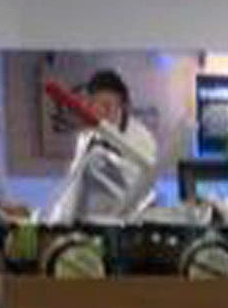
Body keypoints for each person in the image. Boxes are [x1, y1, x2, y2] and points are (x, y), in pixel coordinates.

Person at [45, 69, 164, 224]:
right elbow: (75, 180)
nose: (102, 111)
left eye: (108, 105)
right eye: (96, 104)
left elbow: (143, 187)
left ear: (124, 106)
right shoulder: (86, 137)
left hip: (129, 218)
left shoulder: (142, 139)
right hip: (91, 217)